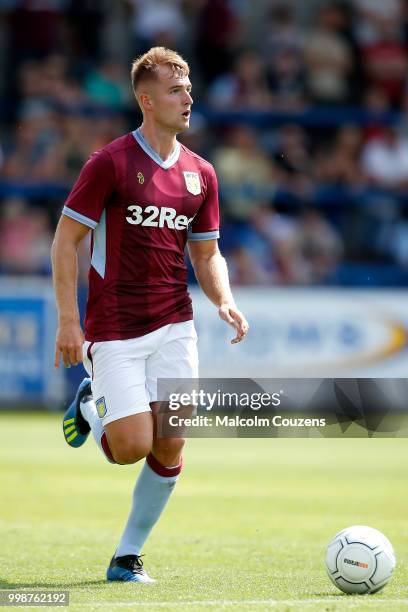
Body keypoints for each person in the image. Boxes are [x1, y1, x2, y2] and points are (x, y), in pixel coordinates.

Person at [51, 47, 249, 584]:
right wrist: (70, 321)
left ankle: (127, 556)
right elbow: (67, 241)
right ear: (146, 100)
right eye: (175, 90)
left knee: (172, 439)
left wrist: (223, 299)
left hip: (175, 322)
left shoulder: (201, 174)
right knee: (130, 448)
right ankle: (93, 408)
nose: (188, 98)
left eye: (188, 88)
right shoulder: (110, 162)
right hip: (114, 325)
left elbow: (206, 253)